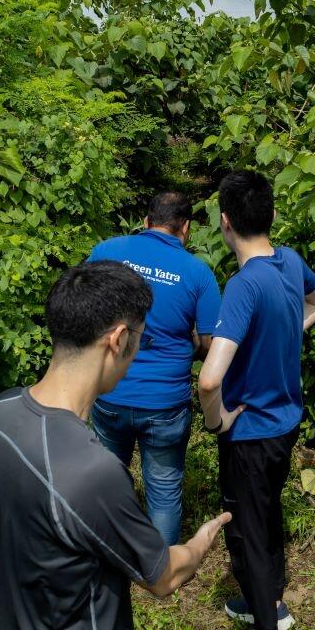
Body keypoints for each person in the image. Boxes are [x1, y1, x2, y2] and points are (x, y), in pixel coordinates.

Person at [0, 261, 231, 630]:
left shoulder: (0, 413)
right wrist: (201, 541)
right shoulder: (90, 471)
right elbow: (164, 577)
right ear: (117, 340)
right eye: (140, 341)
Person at [196, 170, 315, 630]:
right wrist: (288, 335)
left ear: (224, 222)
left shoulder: (243, 286)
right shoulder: (290, 262)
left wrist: (218, 422)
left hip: (250, 432)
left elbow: (209, 380)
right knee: (267, 512)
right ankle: (268, 598)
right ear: (272, 215)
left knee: (248, 530)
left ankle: (266, 625)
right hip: (286, 422)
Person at [87, 191, 221, 545]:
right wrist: (191, 343)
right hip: (165, 402)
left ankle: (109, 548)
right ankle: (161, 573)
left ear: (145, 222)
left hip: (110, 393)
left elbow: (84, 312)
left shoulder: (106, 252)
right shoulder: (199, 273)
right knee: (163, 488)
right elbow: (211, 345)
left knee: (107, 478)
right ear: (187, 228)